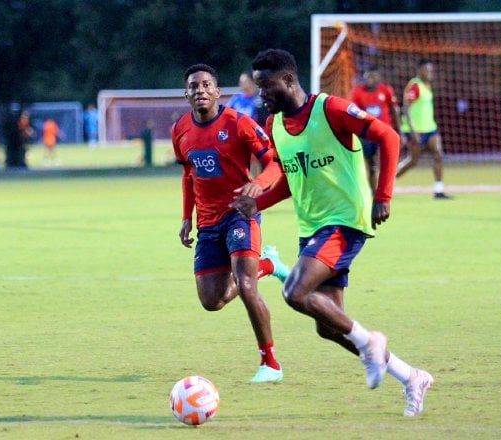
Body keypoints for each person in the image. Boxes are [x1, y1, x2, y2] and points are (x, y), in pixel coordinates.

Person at [230, 49, 433, 417]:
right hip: (312, 228)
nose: (260, 95)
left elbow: (388, 137)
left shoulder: (331, 109)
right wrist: (256, 204)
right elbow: (292, 181)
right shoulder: (276, 127)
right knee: (328, 327)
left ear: (289, 81)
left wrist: (383, 195)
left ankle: (371, 342)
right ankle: (411, 376)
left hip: (345, 221)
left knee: (295, 292)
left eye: (266, 86)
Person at [172, 63, 289, 383]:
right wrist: (187, 217)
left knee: (246, 285)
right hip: (207, 224)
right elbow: (188, 175)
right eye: (194, 86)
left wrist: (258, 185)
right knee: (212, 301)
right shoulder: (180, 130)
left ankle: (270, 363)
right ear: (187, 94)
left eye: (206, 85)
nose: (200, 90)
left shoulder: (239, 123)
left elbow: (273, 165)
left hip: (240, 214)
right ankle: (269, 264)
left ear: (217, 91)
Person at [397, 59, 450, 199]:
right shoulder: (415, 86)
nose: (430, 73)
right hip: (416, 131)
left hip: (430, 129)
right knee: (413, 161)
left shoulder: (427, 85)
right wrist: (413, 131)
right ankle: (387, 182)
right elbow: (406, 108)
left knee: (438, 154)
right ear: (420, 70)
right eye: (427, 70)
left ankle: (439, 190)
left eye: (431, 70)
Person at [351, 68, 400, 193]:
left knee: (382, 160)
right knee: (371, 165)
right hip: (367, 133)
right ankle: (373, 192)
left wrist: (399, 131)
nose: (369, 80)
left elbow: (394, 110)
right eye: (367, 77)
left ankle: (384, 189)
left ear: (378, 78)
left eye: (372, 77)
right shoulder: (358, 93)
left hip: (384, 132)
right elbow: (354, 115)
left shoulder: (386, 90)